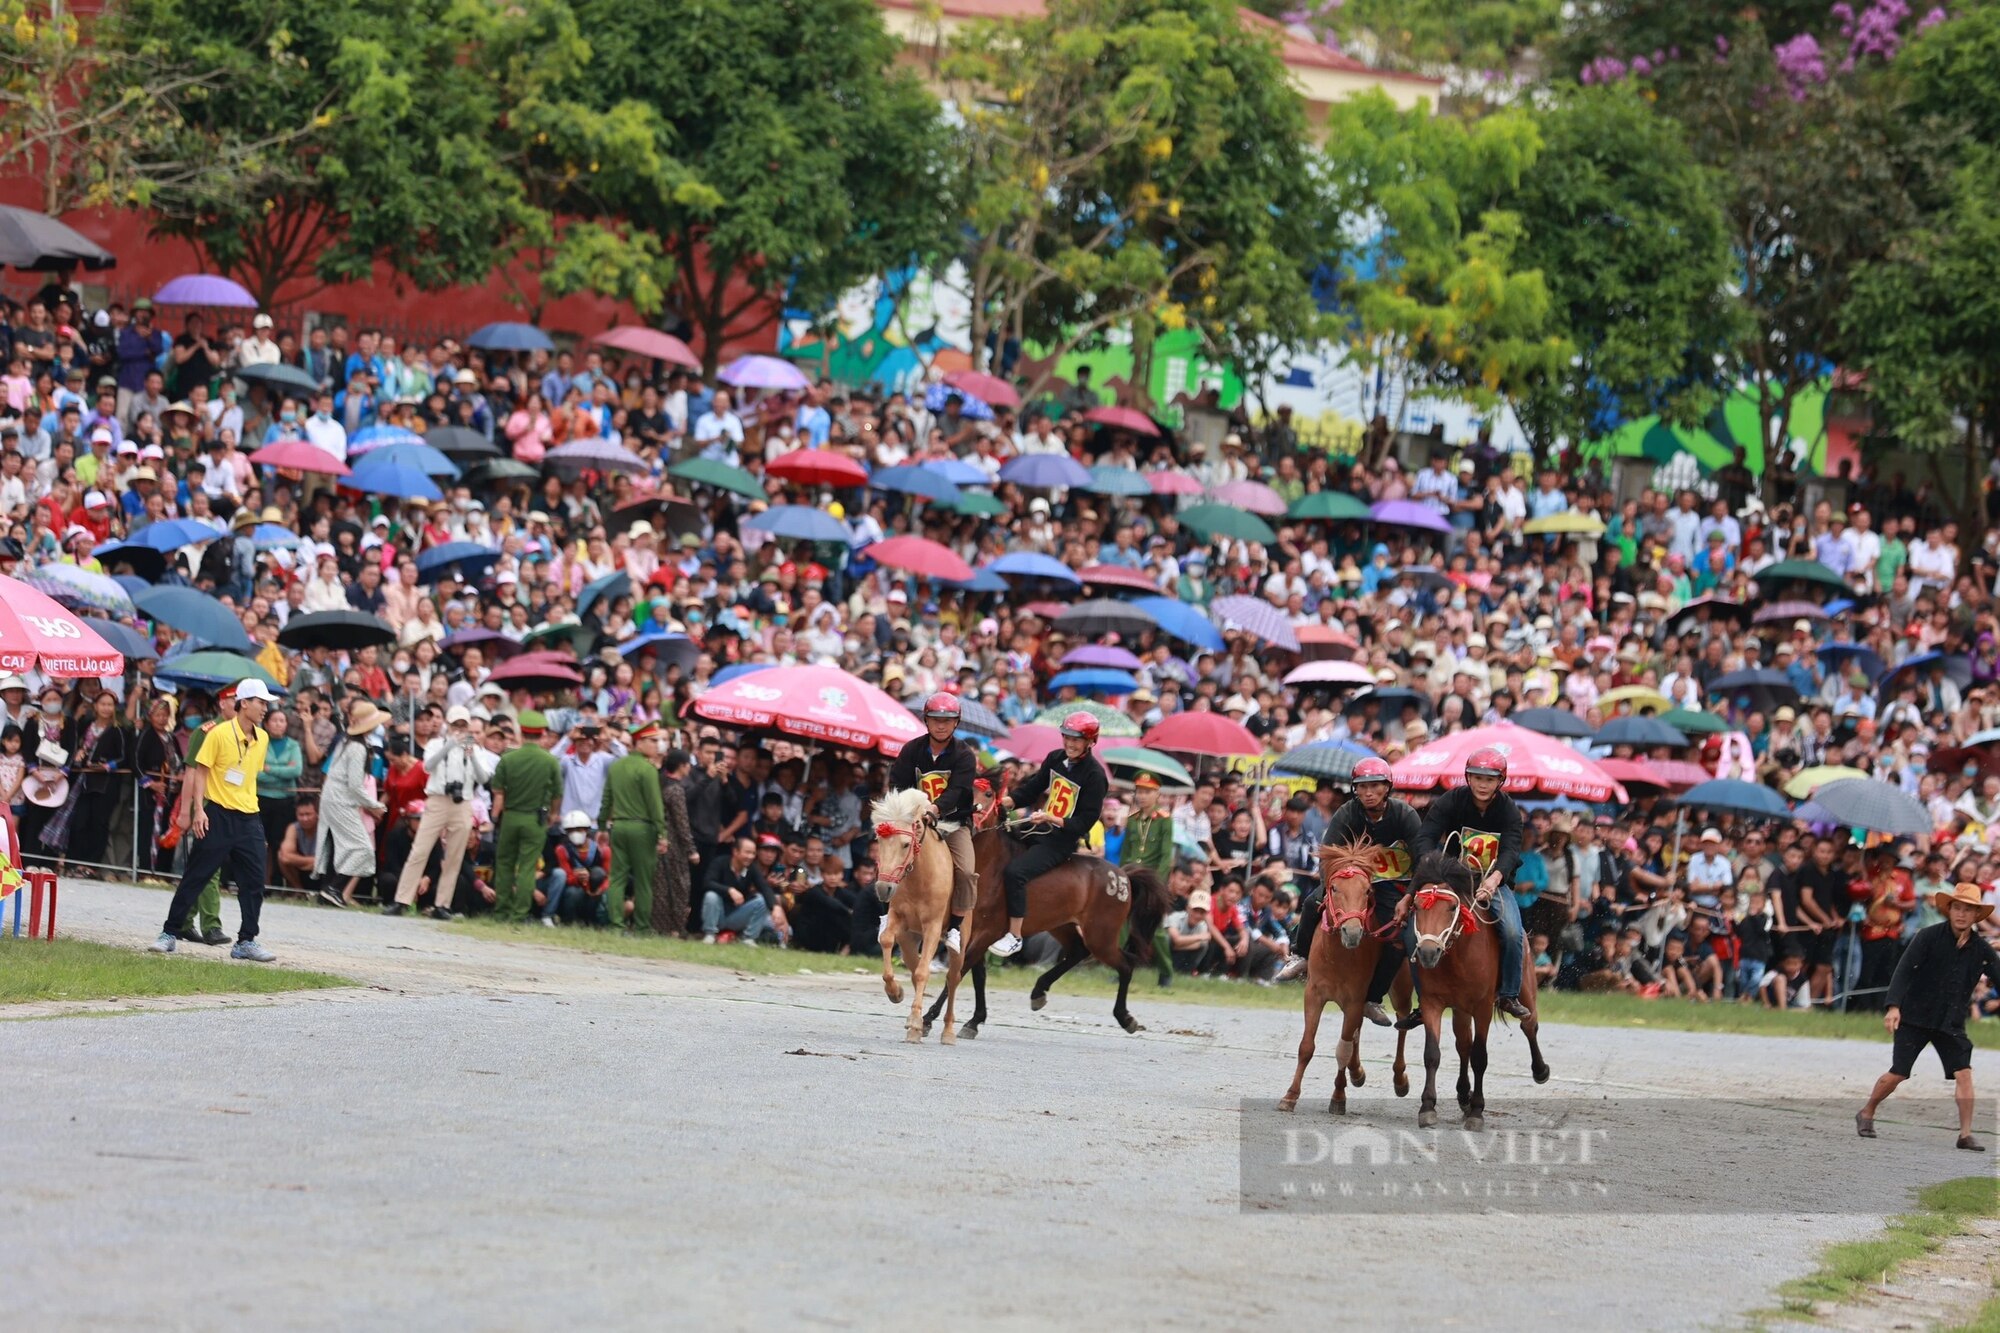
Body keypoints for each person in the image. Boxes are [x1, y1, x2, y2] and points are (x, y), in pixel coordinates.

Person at [1276, 758, 1421, 1030]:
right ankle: (1300, 955)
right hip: (1350, 881)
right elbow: (1327, 855)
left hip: (1393, 886)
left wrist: (1409, 896)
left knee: (1398, 939)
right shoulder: (1347, 812)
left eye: (1375, 786)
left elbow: (1422, 858)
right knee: (1310, 903)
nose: (1368, 792)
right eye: (1362, 787)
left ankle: (1373, 998)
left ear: (1387, 788)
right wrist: (1332, 886)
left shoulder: (1405, 815)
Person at [1856, 883, 2000, 1151]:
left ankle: (1965, 1134)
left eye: (1968, 910)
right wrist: (1893, 1007)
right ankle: (1867, 1112)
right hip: (1914, 1018)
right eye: (1957, 908)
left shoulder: (1981, 949)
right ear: (1949, 910)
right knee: (1899, 1073)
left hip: (1951, 1022)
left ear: (1976, 915)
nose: (1961, 914)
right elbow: (1903, 972)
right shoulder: (1927, 936)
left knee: (1964, 1074)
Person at [150, 678, 279, 961]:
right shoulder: (218, 734)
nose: (265, 708)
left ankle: (246, 940)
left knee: (255, 881)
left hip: (249, 816)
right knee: (197, 875)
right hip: (218, 813)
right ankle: (169, 932)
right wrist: (199, 810)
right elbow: (200, 772)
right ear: (244, 703)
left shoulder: (263, 737)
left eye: (266, 703)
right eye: (261, 702)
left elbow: (249, 774)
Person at [1403, 747, 1530, 1023]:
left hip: (1492, 882)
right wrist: (1431, 864)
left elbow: (1510, 851)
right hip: (1451, 880)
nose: (1482, 784)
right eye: (1477, 778)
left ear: (1500, 781)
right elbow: (1425, 836)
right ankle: (1423, 1000)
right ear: (1468, 778)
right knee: (1412, 933)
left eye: (1489, 779)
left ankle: (1508, 994)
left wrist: (1494, 880)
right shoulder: (1451, 801)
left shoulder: (1509, 810)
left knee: (1511, 931)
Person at [992, 710, 1108, 958]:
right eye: (1066, 737)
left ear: (1090, 742)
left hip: (1060, 840)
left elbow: (1086, 821)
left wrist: (1051, 818)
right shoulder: (1055, 758)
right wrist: (1005, 802)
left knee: (1016, 872)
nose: (1070, 743)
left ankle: (1014, 935)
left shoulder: (1095, 776)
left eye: (1076, 739)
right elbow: (1033, 788)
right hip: (1040, 826)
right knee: (997, 840)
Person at [885, 692, 979, 953]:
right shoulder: (911, 749)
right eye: (935, 719)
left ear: (956, 723)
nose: (941, 725)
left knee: (967, 870)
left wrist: (935, 809)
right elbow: (898, 783)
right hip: (915, 820)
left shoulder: (964, 755)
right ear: (926, 720)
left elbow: (958, 790)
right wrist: (909, 811)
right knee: (890, 854)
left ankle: (957, 927)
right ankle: (889, 912)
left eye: (947, 720)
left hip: (953, 822)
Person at [387, 705, 495, 920]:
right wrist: (449, 746)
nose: (459, 729)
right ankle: (401, 900)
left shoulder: (476, 748)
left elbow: (484, 779)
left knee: (454, 855)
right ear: (448, 723)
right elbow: (427, 766)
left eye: (463, 725)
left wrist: (471, 754)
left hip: (463, 801)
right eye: (455, 724)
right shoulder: (436, 743)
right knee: (419, 850)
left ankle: (442, 905)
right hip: (436, 800)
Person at [488, 710, 561, 923]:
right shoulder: (550, 761)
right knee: (528, 867)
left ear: (521, 731)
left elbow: (498, 791)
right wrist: (553, 815)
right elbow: (557, 794)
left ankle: (501, 911)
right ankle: (519, 914)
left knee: (504, 864)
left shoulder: (507, 759)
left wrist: (495, 817)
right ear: (541, 734)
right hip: (535, 819)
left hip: (510, 817)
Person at [316, 702, 388, 908]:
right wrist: (375, 805)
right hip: (341, 800)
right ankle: (334, 888)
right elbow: (356, 786)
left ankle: (330, 890)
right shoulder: (358, 747)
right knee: (363, 848)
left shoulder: (348, 741)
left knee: (342, 846)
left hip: (334, 798)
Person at [599, 721, 667, 931]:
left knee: (617, 877)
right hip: (642, 828)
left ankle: (615, 923)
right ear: (639, 743)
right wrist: (662, 832)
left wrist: (602, 825)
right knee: (643, 880)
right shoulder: (648, 770)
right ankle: (642, 926)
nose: (657, 745)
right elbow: (655, 804)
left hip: (618, 826)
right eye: (652, 741)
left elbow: (606, 798)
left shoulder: (617, 766)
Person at [1118, 772, 1176, 988]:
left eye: (1147, 792)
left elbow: (1165, 856)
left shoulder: (1164, 821)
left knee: (1155, 928)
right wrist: (1121, 876)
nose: (1142, 796)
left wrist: (1157, 885)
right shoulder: (1132, 821)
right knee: (1123, 923)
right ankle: (1120, 966)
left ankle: (1166, 971)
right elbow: (1126, 853)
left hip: (1152, 883)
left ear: (1157, 794)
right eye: (1139, 792)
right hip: (1131, 879)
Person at [654, 746, 697, 936]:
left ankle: (659, 926)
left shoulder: (660, 783)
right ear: (682, 766)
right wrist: (691, 850)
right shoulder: (676, 790)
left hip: (660, 840)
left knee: (660, 887)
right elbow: (682, 823)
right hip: (674, 846)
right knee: (680, 887)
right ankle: (677, 926)